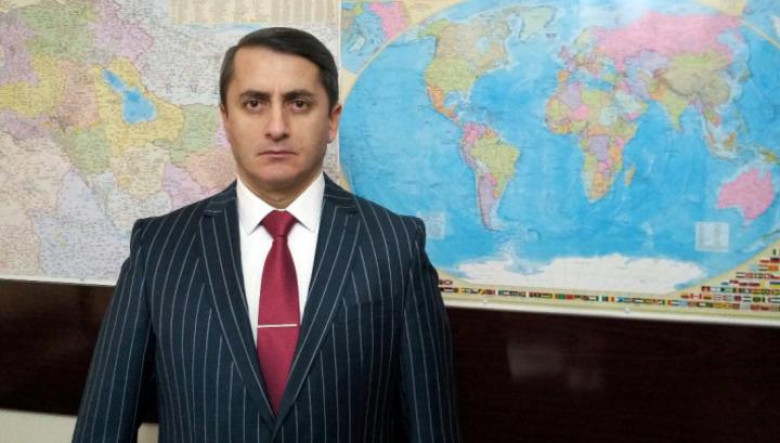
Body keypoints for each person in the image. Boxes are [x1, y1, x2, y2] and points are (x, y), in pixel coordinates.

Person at [72, 27, 460, 442]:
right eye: (254, 103)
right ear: (226, 119)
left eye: (299, 103)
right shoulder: (159, 248)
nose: (277, 127)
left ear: (332, 120)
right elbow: (103, 427)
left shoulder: (395, 245)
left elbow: (432, 428)